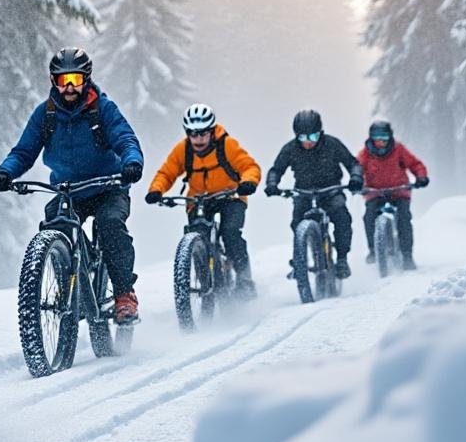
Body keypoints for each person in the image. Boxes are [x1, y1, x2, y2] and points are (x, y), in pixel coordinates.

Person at [0, 48, 146, 323]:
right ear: (53, 81)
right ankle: (73, 278)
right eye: (63, 80)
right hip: (69, 190)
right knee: (56, 222)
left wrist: (132, 163)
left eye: (75, 78)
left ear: (86, 78)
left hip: (108, 186)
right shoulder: (45, 114)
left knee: (110, 224)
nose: (69, 86)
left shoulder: (103, 109)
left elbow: (125, 139)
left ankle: (124, 294)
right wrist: (5, 172)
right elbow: (23, 152)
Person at [145, 103, 261, 298]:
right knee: (197, 232)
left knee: (230, 233)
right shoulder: (183, 150)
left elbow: (249, 166)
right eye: (193, 133)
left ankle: (244, 279)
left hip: (230, 196)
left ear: (212, 130)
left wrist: (248, 182)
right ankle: (207, 282)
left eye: (203, 133)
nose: (198, 139)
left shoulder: (227, 145)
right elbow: (167, 172)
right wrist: (156, 190)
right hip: (199, 199)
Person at [264, 109, 363, 278]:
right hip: (304, 193)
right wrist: (272, 184)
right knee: (297, 223)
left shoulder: (332, 144)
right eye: (303, 137)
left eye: (313, 137)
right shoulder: (290, 149)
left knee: (342, 219)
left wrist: (355, 178)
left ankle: (341, 259)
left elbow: (353, 163)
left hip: (331, 191)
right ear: (297, 136)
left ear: (320, 133)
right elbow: (276, 169)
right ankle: (299, 261)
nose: (308, 142)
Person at [357, 120, 429, 270]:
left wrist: (421, 177)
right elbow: (357, 169)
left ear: (390, 137)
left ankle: (407, 256)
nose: (381, 142)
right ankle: (373, 250)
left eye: (384, 137)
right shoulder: (365, 153)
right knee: (369, 216)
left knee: (404, 219)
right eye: (377, 138)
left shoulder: (398, 149)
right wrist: (356, 182)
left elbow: (415, 164)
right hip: (375, 193)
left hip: (399, 191)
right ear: (371, 138)